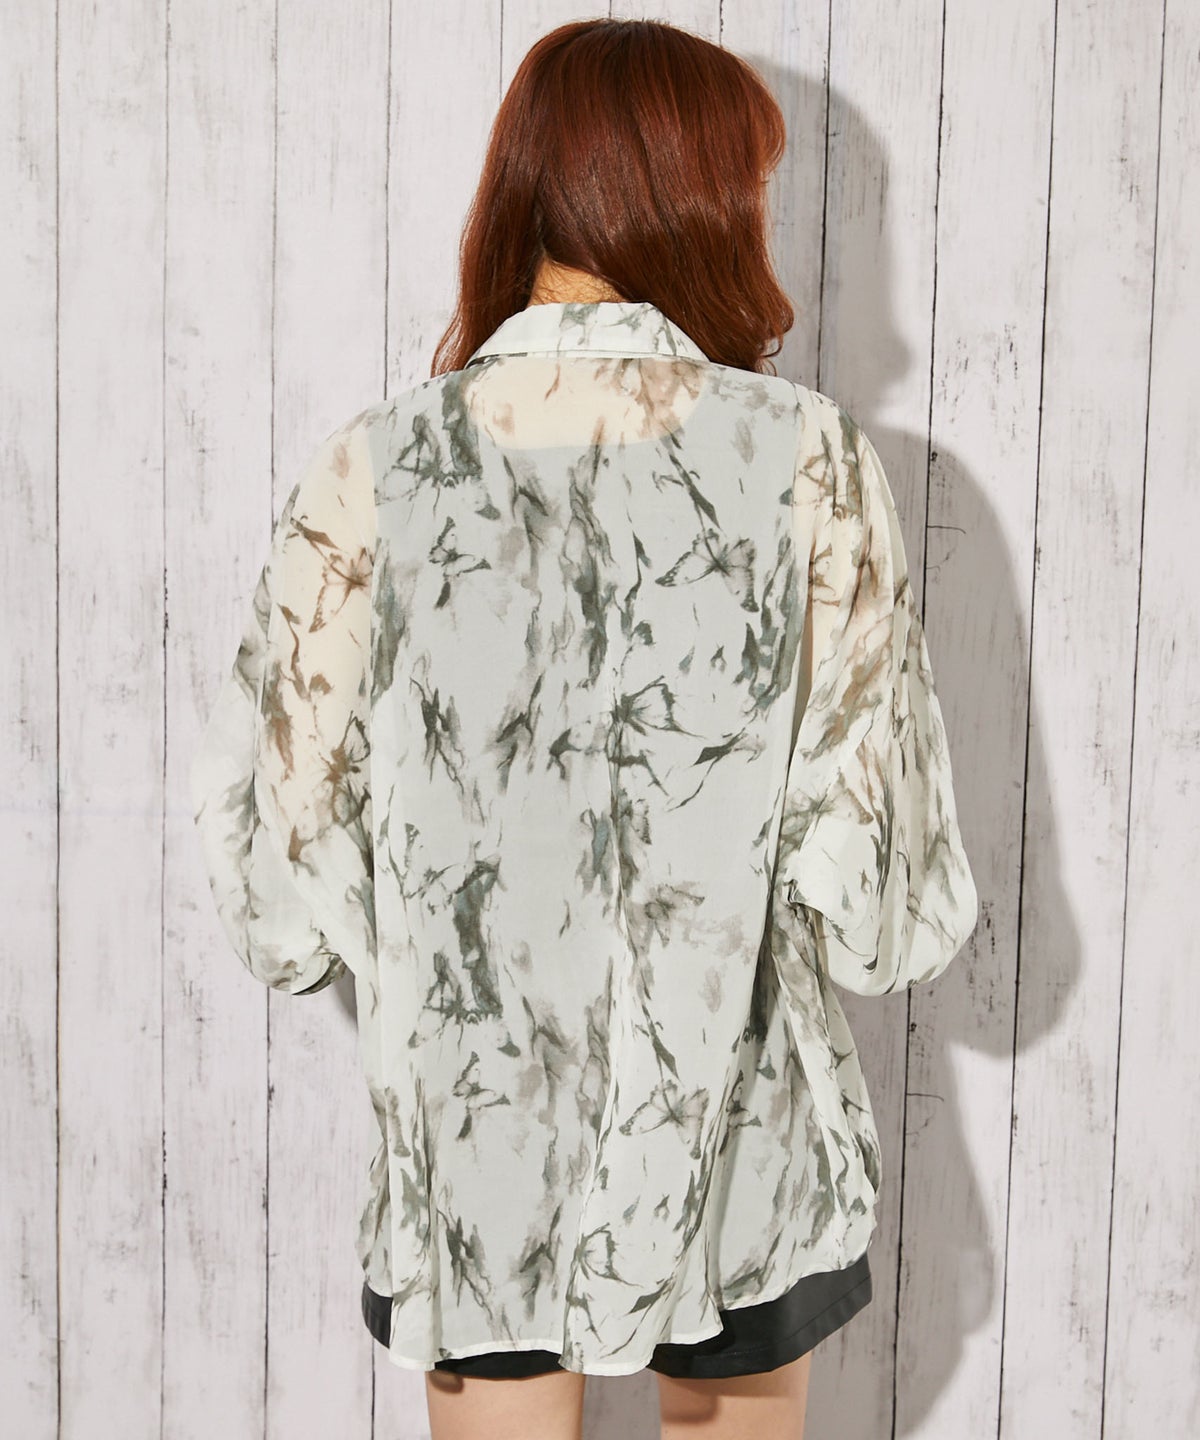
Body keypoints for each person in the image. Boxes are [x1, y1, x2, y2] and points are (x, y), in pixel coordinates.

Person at [189, 17, 978, 1440]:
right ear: (696, 198)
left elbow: (279, 871)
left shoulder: (372, 466)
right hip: (738, 1138)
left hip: (475, 1151)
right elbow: (880, 893)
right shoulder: (809, 459)